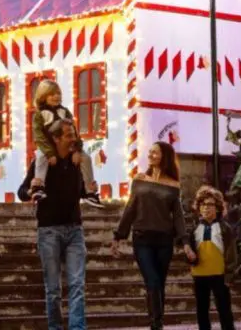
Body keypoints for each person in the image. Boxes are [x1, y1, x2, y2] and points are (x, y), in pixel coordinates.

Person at [111, 141, 194, 330]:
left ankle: (157, 321)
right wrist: (118, 236)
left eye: (155, 152)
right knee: (153, 280)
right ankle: (156, 325)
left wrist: (185, 242)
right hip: (142, 240)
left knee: (159, 284)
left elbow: (178, 217)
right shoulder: (140, 179)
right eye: (150, 152)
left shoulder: (173, 185)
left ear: (164, 156)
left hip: (164, 241)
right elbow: (130, 209)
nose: (151, 155)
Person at [18, 120, 88, 330]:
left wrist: (90, 188)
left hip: (75, 229)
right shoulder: (42, 163)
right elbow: (21, 192)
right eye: (68, 135)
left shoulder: (76, 162)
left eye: (73, 135)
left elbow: (81, 191)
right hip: (49, 231)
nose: (73, 139)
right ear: (56, 138)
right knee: (53, 289)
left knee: (77, 285)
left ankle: (77, 327)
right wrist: (31, 190)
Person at [30, 80, 104, 208]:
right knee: (41, 157)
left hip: (67, 146)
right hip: (49, 146)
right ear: (43, 96)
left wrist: (76, 150)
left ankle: (90, 192)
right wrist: (50, 153)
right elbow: (39, 136)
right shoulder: (39, 115)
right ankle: (38, 187)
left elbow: (73, 131)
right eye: (52, 94)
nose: (56, 96)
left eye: (58, 93)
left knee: (86, 158)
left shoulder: (64, 112)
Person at [188, 186, 237, 330]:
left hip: (219, 275)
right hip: (199, 275)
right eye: (202, 205)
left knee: (224, 310)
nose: (206, 208)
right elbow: (190, 252)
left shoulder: (225, 228)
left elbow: (231, 253)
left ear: (217, 207)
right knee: (202, 310)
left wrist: (229, 275)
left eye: (210, 204)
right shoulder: (194, 229)